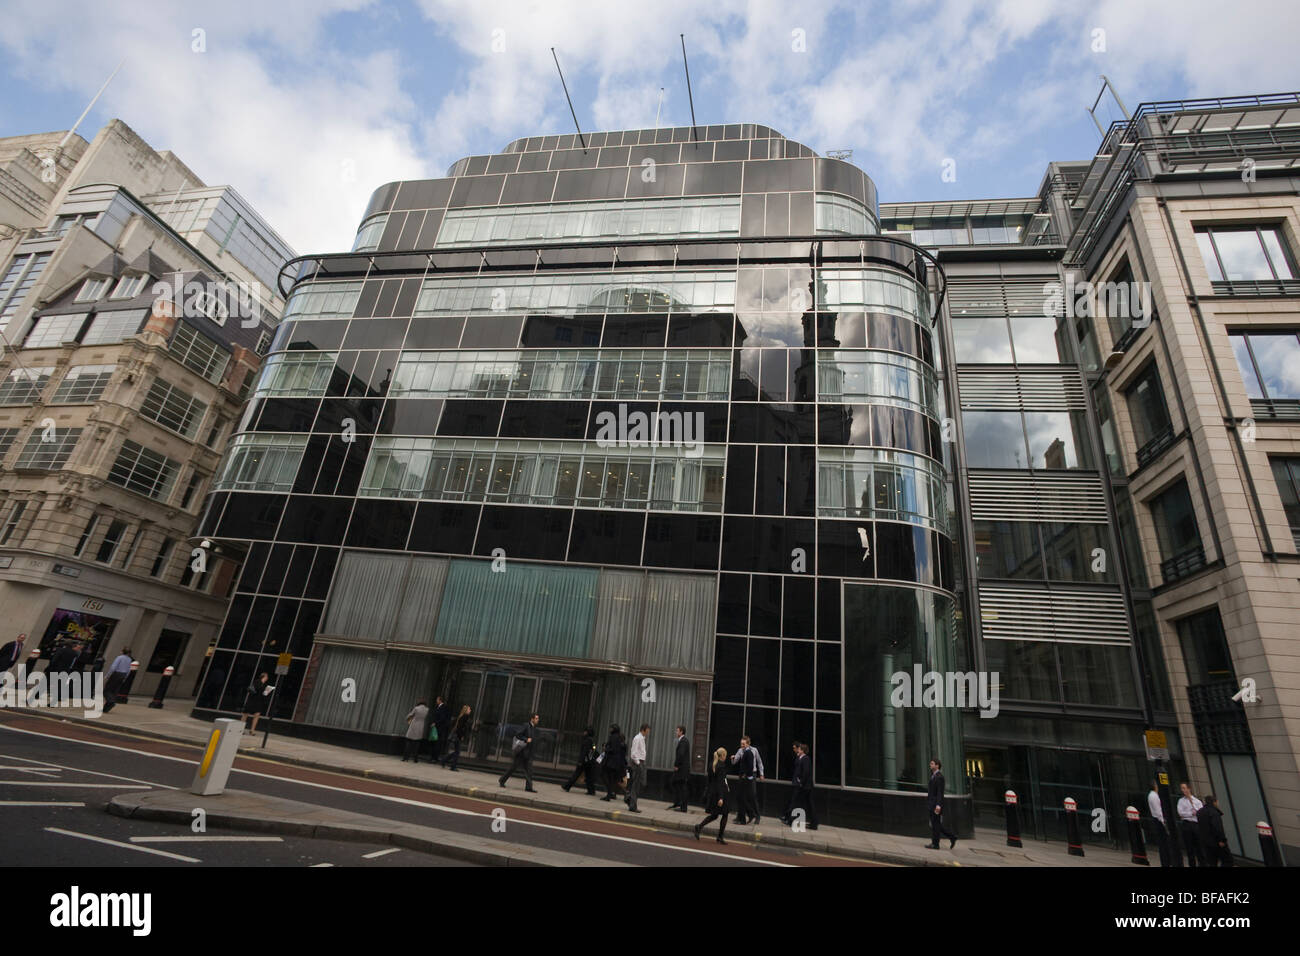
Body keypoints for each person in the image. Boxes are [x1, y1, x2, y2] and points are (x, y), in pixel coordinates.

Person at [693, 747, 732, 845]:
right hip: (720, 793)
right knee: (725, 814)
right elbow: (720, 782)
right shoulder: (721, 766)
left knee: (715, 815)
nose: (725, 758)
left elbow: (710, 781)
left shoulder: (712, 765)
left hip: (713, 792)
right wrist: (721, 797)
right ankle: (720, 836)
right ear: (722, 756)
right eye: (725, 756)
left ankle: (699, 827)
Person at [498, 713, 539, 792]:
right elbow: (518, 735)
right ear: (532, 719)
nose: (538, 720)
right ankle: (502, 780)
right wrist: (526, 739)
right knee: (513, 768)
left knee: (529, 771)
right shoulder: (526, 725)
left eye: (538, 718)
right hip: (521, 753)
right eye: (536, 718)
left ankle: (528, 788)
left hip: (527, 753)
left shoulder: (533, 728)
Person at [782, 741, 818, 829]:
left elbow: (806, 772)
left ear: (802, 750)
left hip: (804, 786)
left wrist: (800, 781)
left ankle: (791, 820)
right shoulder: (801, 758)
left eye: (799, 749)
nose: (798, 750)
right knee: (807, 804)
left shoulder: (806, 759)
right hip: (804, 786)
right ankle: (814, 823)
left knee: (797, 803)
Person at [926, 757, 957, 849]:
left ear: (937, 765)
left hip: (936, 805)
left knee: (936, 825)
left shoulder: (940, 777)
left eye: (932, 763)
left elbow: (940, 792)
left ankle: (936, 844)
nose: (930, 765)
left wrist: (938, 805)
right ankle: (951, 837)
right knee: (936, 824)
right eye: (930, 763)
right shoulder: (933, 776)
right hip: (932, 804)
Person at [1196, 794, 1233, 867]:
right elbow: (1217, 827)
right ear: (1214, 802)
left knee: (1212, 862)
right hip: (1216, 842)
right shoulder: (1214, 812)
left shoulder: (1200, 812)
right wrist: (1222, 840)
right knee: (1227, 860)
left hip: (1206, 842)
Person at [730, 735, 759, 824]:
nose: (741, 745)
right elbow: (735, 762)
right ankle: (748, 815)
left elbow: (751, 766)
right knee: (740, 797)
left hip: (747, 777)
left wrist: (747, 776)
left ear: (748, 744)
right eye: (741, 743)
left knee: (747, 796)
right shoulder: (741, 751)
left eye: (743, 744)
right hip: (743, 777)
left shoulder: (750, 752)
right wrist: (733, 759)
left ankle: (751, 815)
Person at [562, 726, 599, 795]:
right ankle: (591, 790)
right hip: (589, 761)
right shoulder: (592, 740)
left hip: (584, 761)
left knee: (577, 774)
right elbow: (594, 749)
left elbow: (584, 752)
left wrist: (580, 761)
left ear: (588, 732)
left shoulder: (587, 740)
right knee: (588, 776)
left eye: (585, 731)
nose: (584, 733)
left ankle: (567, 786)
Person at [1177, 782, 1206, 866]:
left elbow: (1199, 812)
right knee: (1189, 848)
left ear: (1189, 789)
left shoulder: (1197, 801)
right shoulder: (1181, 801)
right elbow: (1181, 813)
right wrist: (1191, 814)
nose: (1183, 790)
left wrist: (1192, 805)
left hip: (1196, 825)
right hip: (1187, 824)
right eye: (1182, 788)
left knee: (1199, 846)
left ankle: (1202, 863)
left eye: (1184, 788)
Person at [1147, 779, 1173, 866]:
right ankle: (1166, 862)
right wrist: (1163, 821)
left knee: (1163, 843)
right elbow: (1158, 811)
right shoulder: (1154, 796)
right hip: (1158, 820)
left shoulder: (1151, 795)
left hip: (1157, 820)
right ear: (1155, 786)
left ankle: (1166, 861)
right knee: (1164, 843)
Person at [101, 647, 134, 713]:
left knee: (106, 690)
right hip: (123, 675)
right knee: (114, 691)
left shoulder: (119, 657)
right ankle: (106, 708)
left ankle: (111, 701)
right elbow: (128, 670)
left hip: (116, 674)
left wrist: (108, 675)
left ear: (122, 651)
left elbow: (113, 667)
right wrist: (125, 677)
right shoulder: (129, 659)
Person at [626, 723, 649, 813]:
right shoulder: (637, 738)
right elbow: (633, 753)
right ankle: (632, 805)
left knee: (640, 784)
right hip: (637, 763)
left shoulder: (642, 739)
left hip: (641, 763)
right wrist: (639, 764)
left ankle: (629, 799)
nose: (648, 731)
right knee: (636, 785)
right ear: (644, 729)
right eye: (648, 730)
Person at [600, 724, 627, 801]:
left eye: (611, 728)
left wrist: (606, 749)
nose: (610, 730)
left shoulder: (613, 737)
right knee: (613, 780)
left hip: (611, 762)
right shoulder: (618, 738)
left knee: (608, 777)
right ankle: (610, 794)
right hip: (616, 763)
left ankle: (610, 794)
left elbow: (613, 749)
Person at [667, 725, 690, 811]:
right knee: (676, 784)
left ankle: (683, 807)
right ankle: (678, 803)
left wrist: (676, 765)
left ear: (681, 732)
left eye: (677, 731)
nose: (676, 732)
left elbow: (681, 754)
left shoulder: (683, 741)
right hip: (682, 769)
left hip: (681, 769)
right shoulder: (683, 741)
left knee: (681, 787)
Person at [441, 704, 471, 770]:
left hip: (456, 735)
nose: (470, 710)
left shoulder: (461, 716)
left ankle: (444, 760)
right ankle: (452, 766)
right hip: (458, 736)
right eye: (469, 709)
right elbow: (460, 727)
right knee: (457, 752)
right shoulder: (465, 716)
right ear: (466, 710)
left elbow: (456, 725)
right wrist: (461, 736)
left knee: (457, 751)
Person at [430, 696, 452, 762]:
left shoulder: (443, 707)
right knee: (435, 742)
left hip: (439, 728)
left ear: (440, 700)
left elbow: (442, 718)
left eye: (437, 699)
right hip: (437, 727)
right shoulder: (438, 707)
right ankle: (434, 757)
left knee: (437, 743)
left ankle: (434, 757)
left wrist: (435, 723)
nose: (436, 701)